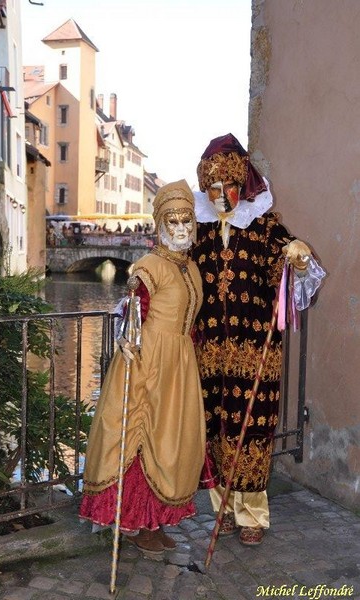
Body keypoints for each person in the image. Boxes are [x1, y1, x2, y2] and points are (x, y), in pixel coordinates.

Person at [191, 134, 325, 546]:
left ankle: (252, 513)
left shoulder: (263, 223)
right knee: (215, 426)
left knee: (251, 428)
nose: (220, 196)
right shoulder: (199, 229)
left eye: (227, 188)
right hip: (209, 350)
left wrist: (298, 254)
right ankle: (222, 507)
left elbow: (291, 257)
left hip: (255, 350)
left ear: (240, 184)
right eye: (212, 189)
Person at [79, 179, 206, 556]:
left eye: (187, 224)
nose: (181, 231)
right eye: (173, 224)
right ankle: (134, 523)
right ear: (160, 228)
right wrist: (126, 340)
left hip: (179, 365)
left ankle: (154, 520)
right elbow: (135, 308)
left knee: (172, 442)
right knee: (143, 435)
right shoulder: (151, 265)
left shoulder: (192, 268)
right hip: (148, 362)